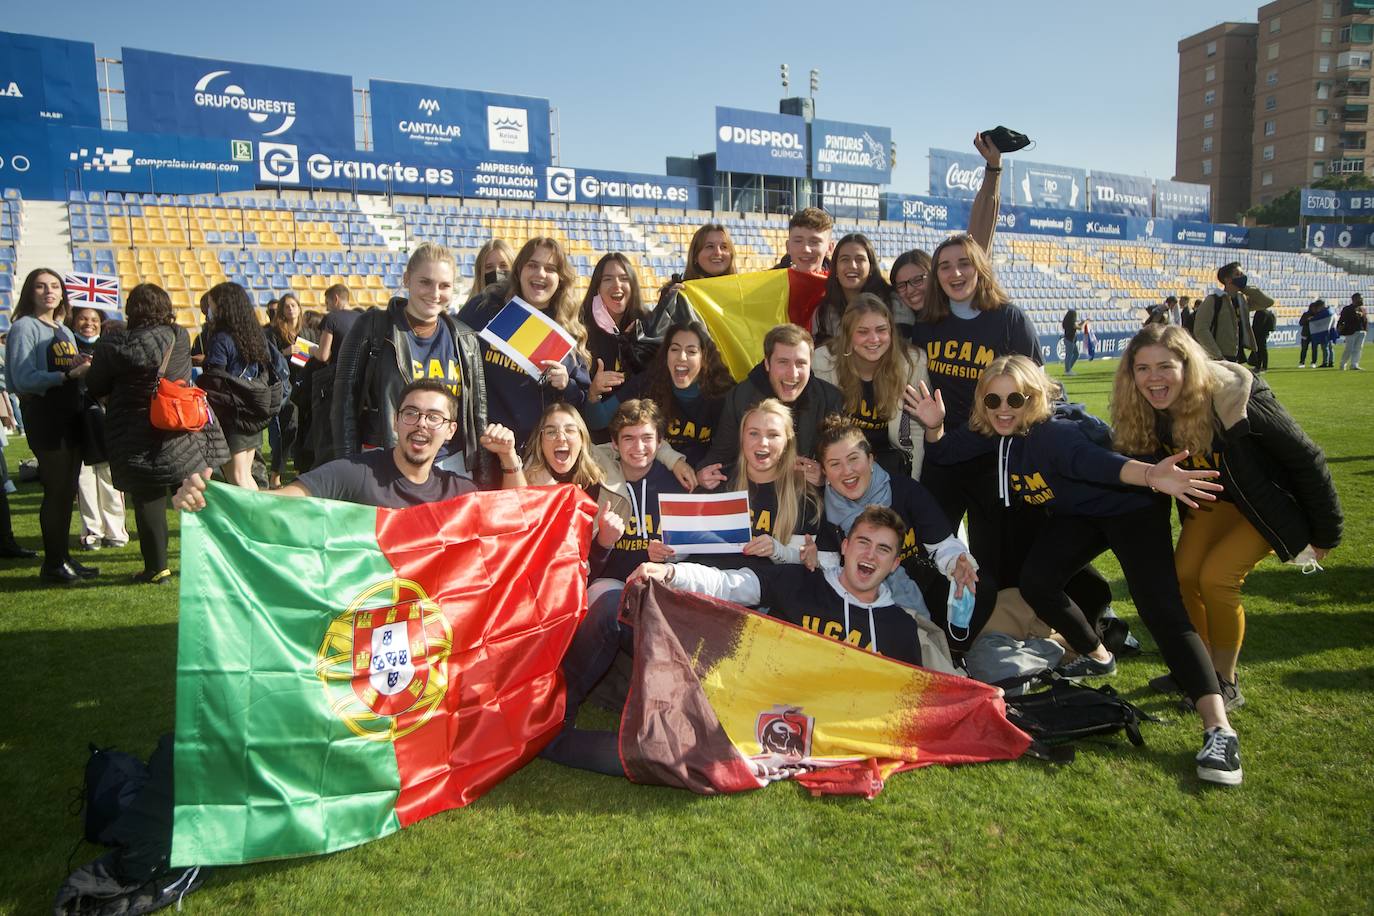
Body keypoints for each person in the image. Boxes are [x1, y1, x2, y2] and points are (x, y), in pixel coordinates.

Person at [913, 354, 1244, 786]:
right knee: (1038, 581)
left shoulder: (1054, 435)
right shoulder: (994, 431)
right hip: (1083, 515)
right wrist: (935, 426)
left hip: (1131, 507)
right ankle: (1098, 656)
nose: (1004, 409)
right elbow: (946, 451)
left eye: (1015, 398)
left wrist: (1151, 476)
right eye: (993, 400)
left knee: (1160, 609)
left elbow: (1099, 464)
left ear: (1034, 397)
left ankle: (1219, 729)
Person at [541, 506, 958, 777]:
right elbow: (729, 584)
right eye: (863, 542)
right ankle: (551, 708)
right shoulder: (801, 581)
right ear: (845, 547)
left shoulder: (898, 629)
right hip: (726, 677)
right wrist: (671, 573)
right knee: (613, 606)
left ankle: (545, 740)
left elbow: (904, 707)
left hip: (766, 729)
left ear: (895, 563)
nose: (870, 555)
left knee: (665, 755)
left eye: (883, 550)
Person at [1112, 325, 1343, 710]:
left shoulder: (1235, 397)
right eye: (1143, 368)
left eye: (1165, 366)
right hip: (1213, 505)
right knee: (1183, 576)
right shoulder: (1142, 408)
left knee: (1217, 579)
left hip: (1261, 507)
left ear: (1188, 366)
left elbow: (1306, 458)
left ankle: (1225, 680)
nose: (1154, 378)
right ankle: (1197, 670)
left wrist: (1326, 533)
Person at [906, 233, 1042, 600]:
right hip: (942, 448)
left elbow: (1039, 389)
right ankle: (939, 618)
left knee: (994, 552)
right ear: (935, 276)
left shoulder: (1009, 319)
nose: (955, 273)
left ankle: (998, 622)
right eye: (945, 266)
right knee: (930, 544)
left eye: (964, 263)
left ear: (980, 268)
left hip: (994, 455)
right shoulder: (928, 324)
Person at [176, 379, 522, 511]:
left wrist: (509, 458)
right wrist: (211, 499)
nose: (421, 424)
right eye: (411, 413)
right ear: (395, 422)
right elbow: (278, 503)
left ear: (450, 431)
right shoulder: (355, 474)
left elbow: (519, 516)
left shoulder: (457, 492)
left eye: (434, 417)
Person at [86, 284, 229, 584]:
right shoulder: (178, 336)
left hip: (131, 427)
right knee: (192, 494)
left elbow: (96, 385)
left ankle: (157, 568)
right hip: (175, 423)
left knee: (147, 497)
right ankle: (212, 559)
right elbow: (181, 374)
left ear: (132, 309)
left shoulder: (112, 344)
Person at [816, 417, 984, 652]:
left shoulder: (904, 490)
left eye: (854, 459)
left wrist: (957, 561)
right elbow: (829, 576)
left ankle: (953, 651)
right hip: (863, 597)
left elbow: (942, 544)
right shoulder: (825, 514)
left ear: (871, 459)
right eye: (835, 464)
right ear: (825, 472)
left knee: (977, 585)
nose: (847, 471)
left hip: (918, 581)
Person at [334, 243, 490, 481]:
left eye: (444, 285)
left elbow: (478, 413)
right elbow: (344, 404)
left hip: (449, 464)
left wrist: (483, 474)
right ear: (407, 279)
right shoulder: (373, 327)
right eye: (425, 282)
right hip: (385, 461)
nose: (435, 294)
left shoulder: (465, 338)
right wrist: (347, 470)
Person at [4, 269, 98, 583]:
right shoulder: (24, 327)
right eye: (41, 286)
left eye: (55, 286)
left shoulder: (64, 330)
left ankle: (64, 557)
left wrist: (78, 365)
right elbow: (22, 378)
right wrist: (66, 375)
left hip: (70, 415)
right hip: (46, 416)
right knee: (56, 490)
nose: (49, 292)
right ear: (29, 292)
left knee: (68, 490)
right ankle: (53, 564)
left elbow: (64, 367)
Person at [460, 237, 591, 451]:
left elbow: (582, 401)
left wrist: (566, 385)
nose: (540, 273)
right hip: (485, 444)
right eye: (532, 265)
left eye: (550, 269)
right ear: (519, 270)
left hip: (538, 451)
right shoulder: (486, 308)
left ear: (560, 278)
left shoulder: (568, 329)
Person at [698, 323, 843, 482]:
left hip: (804, 491)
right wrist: (702, 475)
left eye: (800, 363)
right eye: (783, 362)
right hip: (754, 488)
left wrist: (825, 476)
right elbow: (721, 455)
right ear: (767, 363)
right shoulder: (740, 397)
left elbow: (841, 459)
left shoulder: (829, 398)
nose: (792, 374)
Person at [889, 134, 1004, 329]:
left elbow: (980, 234)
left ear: (934, 276)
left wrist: (993, 170)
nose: (911, 290)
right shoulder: (897, 323)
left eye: (918, 280)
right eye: (902, 285)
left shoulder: (961, 304)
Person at [583, 321, 731, 467]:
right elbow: (598, 421)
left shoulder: (722, 394)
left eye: (691, 351)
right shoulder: (647, 383)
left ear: (704, 357)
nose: (681, 357)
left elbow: (728, 450)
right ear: (666, 354)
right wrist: (594, 393)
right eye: (675, 349)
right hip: (654, 471)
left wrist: (703, 471)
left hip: (700, 474)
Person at [811, 294, 929, 478]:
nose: (874, 339)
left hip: (889, 463)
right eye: (863, 332)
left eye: (881, 330)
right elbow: (817, 427)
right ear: (848, 335)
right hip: (841, 466)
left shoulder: (912, 363)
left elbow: (916, 430)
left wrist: (912, 482)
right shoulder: (822, 362)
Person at [199, 282, 275, 490]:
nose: (209, 310)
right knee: (245, 475)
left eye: (211, 305)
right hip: (252, 408)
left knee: (238, 477)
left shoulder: (222, 338)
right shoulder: (255, 335)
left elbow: (215, 377)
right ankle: (255, 510)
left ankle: (254, 512)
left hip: (232, 412)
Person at [69, 304, 129, 551]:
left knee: (109, 477)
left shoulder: (110, 347)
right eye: (83, 318)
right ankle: (92, 531)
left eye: (94, 319)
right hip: (77, 418)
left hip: (106, 419)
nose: (88, 324)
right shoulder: (67, 346)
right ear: (74, 321)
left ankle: (115, 531)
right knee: (84, 478)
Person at [583, 253, 655, 428]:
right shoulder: (580, 327)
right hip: (596, 433)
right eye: (608, 279)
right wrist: (593, 391)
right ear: (597, 287)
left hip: (641, 429)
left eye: (624, 278)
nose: (617, 285)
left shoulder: (648, 325)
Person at [645, 223, 736, 339]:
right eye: (709, 246)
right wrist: (670, 305)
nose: (718, 252)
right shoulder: (677, 292)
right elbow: (659, 337)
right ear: (695, 256)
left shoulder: (742, 293)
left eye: (724, 247)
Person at [812, 233, 891, 345]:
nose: (852, 265)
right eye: (845, 259)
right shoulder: (822, 313)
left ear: (871, 267)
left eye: (860, 259)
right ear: (835, 268)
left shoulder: (892, 303)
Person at [1194, 262, 1274, 363]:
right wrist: (1217, 355)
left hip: (1237, 356)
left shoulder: (1242, 300)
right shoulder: (1213, 300)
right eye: (1238, 274)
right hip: (1219, 358)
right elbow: (1201, 330)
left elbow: (1267, 302)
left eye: (1242, 274)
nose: (1242, 277)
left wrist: (1245, 289)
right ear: (1227, 279)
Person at [265, 291, 304, 488]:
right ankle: (275, 475)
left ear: (299, 308)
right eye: (287, 306)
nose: (290, 309)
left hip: (305, 387)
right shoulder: (273, 333)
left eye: (293, 305)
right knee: (288, 431)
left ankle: (300, 473)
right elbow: (267, 360)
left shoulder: (307, 332)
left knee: (302, 432)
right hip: (285, 389)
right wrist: (285, 352)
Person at [776, 207, 834, 275]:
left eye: (814, 242)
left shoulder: (838, 281)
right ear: (788, 247)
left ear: (830, 248)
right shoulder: (768, 280)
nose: (806, 249)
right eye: (798, 241)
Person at [311, 284, 357, 366]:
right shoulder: (362, 318)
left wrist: (312, 350)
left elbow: (323, 356)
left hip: (338, 370)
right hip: (359, 371)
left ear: (336, 299)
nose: (327, 308)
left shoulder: (331, 318)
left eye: (327, 303)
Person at [465, 238, 515, 304]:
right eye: (489, 267)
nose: (497, 271)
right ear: (480, 272)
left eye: (503, 265)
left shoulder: (524, 305)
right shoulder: (471, 308)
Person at [1338, 293, 1366, 370]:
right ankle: (1343, 364)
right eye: (1360, 298)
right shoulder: (1347, 309)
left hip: (1361, 331)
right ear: (1354, 299)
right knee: (1349, 349)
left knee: (1358, 349)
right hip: (1351, 331)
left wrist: (1365, 329)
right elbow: (1342, 320)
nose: (1362, 300)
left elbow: (1365, 320)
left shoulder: (1362, 309)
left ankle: (1354, 364)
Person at [1249, 299, 1275, 372]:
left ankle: (1262, 367)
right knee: (1261, 350)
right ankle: (1260, 366)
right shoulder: (1267, 312)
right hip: (1263, 334)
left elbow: (1258, 325)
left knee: (1261, 350)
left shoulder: (1261, 312)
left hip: (1259, 334)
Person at [1298, 301, 1317, 368]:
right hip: (1305, 334)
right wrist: (1307, 320)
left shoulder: (1317, 315)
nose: (1314, 309)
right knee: (1304, 349)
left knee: (1314, 349)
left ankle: (1313, 362)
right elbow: (1300, 323)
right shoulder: (1305, 314)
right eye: (1313, 308)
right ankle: (1302, 362)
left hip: (1314, 334)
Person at [1061, 308, 1080, 376]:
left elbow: (1077, 326)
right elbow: (1079, 327)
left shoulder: (1067, 322)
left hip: (1069, 340)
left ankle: (1068, 369)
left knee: (1076, 354)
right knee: (1069, 355)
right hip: (1070, 340)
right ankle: (1067, 370)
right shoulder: (1072, 323)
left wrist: (1083, 322)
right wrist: (1085, 322)